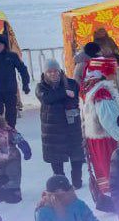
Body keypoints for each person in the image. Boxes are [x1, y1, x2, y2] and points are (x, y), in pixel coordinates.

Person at [79, 57, 119, 212]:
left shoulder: (87, 88)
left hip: (94, 138)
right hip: (107, 138)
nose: (115, 75)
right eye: (113, 72)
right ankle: (118, 201)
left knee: (104, 168)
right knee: (113, 169)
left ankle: (110, 200)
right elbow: (109, 120)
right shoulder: (102, 92)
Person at [34, 59, 85, 187]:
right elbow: (47, 99)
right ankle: (61, 183)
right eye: (49, 71)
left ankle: (77, 181)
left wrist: (58, 96)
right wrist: (64, 93)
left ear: (60, 71)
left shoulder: (72, 83)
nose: (53, 74)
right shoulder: (41, 87)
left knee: (76, 154)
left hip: (72, 125)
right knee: (56, 157)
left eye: (55, 71)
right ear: (45, 73)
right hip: (52, 128)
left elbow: (74, 99)